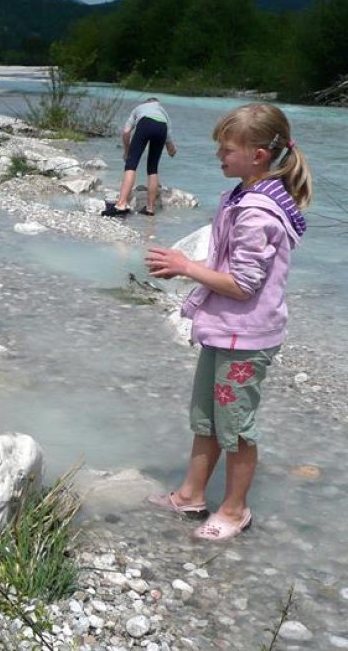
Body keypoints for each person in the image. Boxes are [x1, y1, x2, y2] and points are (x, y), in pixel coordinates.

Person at [144, 103, 311, 541]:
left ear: (258, 154)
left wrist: (184, 266)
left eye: (226, 150)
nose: (219, 157)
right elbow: (228, 266)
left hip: (248, 335)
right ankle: (191, 495)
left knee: (235, 427)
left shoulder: (257, 211)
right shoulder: (241, 195)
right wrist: (189, 264)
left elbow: (243, 285)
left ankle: (235, 510)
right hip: (226, 328)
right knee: (207, 418)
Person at [103, 97, 177, 217]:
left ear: (147, 102)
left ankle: (121, 204)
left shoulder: (139, 108)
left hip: (145, 124)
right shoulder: (163, 112)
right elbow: (169, 140)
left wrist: (127, 152)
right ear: (157, 103)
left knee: (131, 165)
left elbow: (126, 132)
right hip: (161, 127)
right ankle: (150, 208)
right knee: (153, 168)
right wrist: (172, 151)